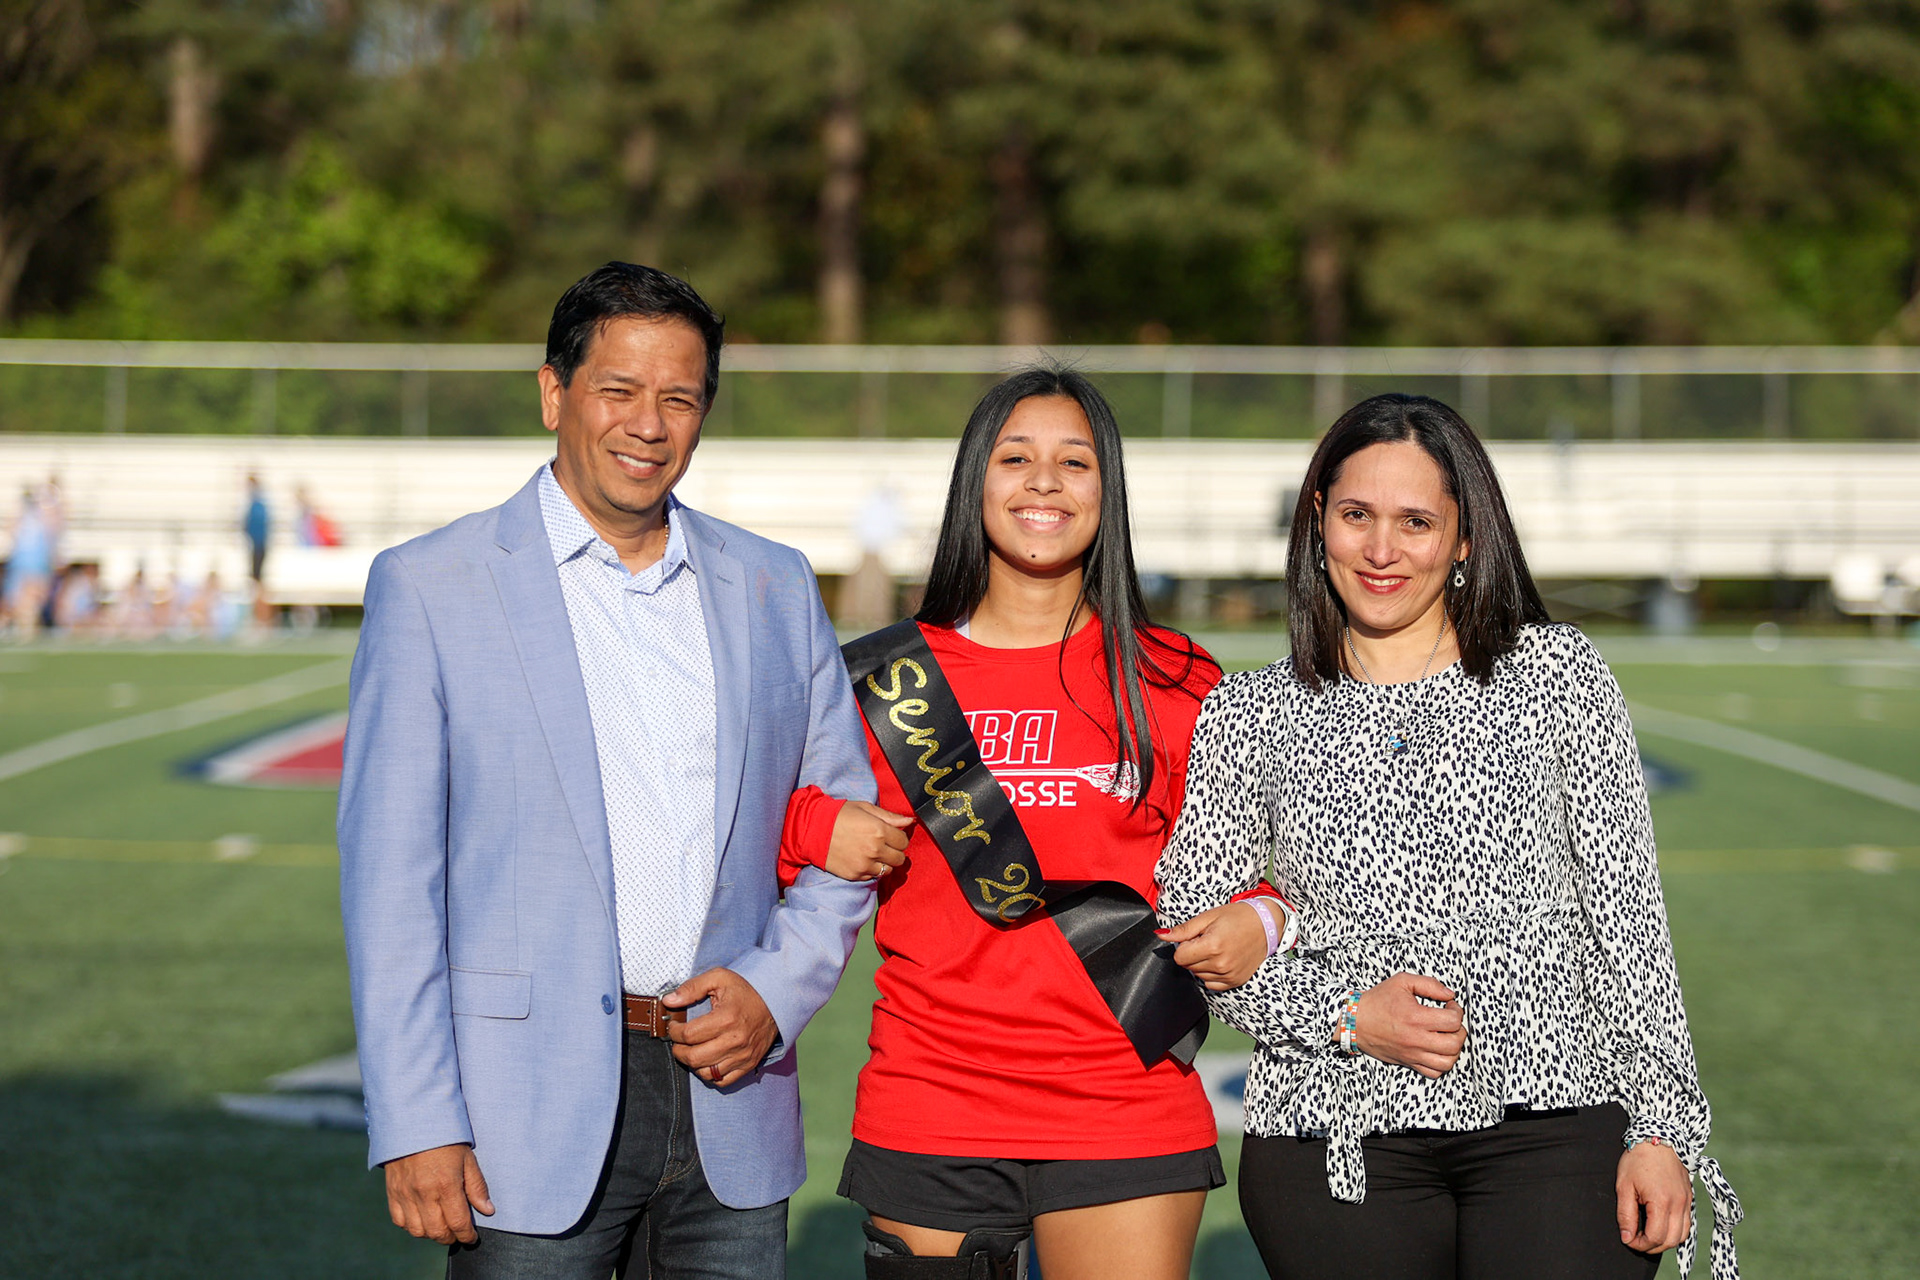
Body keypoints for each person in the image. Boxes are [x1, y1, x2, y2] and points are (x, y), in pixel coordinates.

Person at [338, 261, 878, 1279]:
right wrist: (416, 1118)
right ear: (555, 393)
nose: (648, 424)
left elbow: (848, 827)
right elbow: (391, 883)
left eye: (680, 397)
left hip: (732, 1096)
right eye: (618, 390)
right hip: (521, 1113)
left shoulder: (774, 583)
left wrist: (775, 990)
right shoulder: (431, 587)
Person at [1155, 394, 1742, 1280]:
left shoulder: (1556, 675)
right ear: (1318, 520)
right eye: (1357, 516)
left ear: (1464, 537)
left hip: (1556, 1121)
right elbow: (1194, 931)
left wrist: (1662, 1128)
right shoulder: (1252, 710)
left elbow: (1627, 921)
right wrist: (1348, 1017)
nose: (1381, 550)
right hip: (1330, 1135)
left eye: (1416, 523)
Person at [778, 366, 1284, 1280]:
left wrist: (1263, 914)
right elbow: (760, 839)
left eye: (1075, 462)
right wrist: (816, 829)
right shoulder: (878, 681)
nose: (1044, 481)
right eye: (1015, 458)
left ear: (1106, 490)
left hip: (1125, 1099)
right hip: (931, 1096)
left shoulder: (1177, 677)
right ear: (975, 482)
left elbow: (1269, 862)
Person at [242, 473, 272, 625]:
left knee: (258, 584)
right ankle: (259, 618)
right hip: (256, 545)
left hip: (258, 546)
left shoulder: (258, 504)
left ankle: (262, 619)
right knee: (256, 584)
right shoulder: (256, 503)